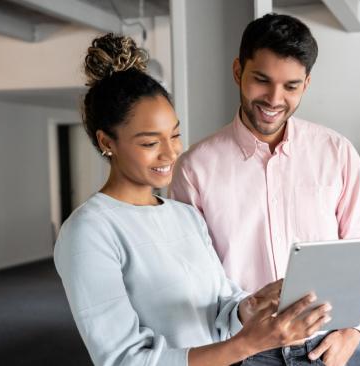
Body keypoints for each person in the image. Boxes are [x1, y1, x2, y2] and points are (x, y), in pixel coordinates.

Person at [54, 33, 331, 366]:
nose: (170, 153)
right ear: (106, 141)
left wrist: (251, 305)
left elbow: (220, 305)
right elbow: (124, 360)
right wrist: (246, 345)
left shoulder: (184, 215)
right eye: (148, 143)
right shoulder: (89, 231)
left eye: (174, 134)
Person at [169, 14, 360, 366]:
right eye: (262, 80)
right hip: (241, 351)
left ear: (306, 84)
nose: (274, 98)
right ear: (238, 71)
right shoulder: (195, 168)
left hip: (323, 346)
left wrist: (353, 331)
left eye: (291, 86)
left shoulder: (337, 152)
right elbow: (191, 274)